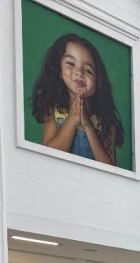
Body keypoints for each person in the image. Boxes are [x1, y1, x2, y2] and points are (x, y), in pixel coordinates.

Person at [30, 34, 125, 165]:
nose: (79, 72)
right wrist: (73, 119)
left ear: (98, 82)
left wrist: (88, 125)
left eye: (88, 71)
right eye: (70, 63)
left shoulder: (106, 124)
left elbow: (109, 167)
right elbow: (48, 155)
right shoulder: (53, 112)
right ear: (59, 70)